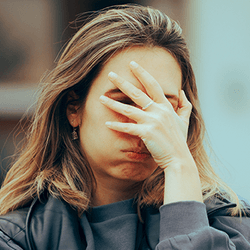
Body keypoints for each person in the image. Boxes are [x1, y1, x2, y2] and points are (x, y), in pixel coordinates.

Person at [0, 4, 249, 250]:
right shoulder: (19, 237)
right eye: (124, 102)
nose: (146, 126)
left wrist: (180, 166)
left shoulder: (230, 227)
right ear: (74, 108)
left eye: (162, 108)